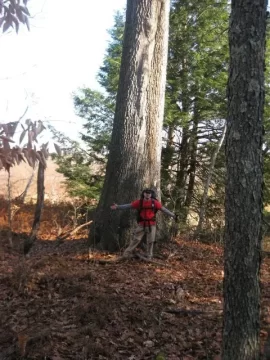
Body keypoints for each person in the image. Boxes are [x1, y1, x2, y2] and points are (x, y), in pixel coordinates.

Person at [110, 188, 176, 259]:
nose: (147, 195)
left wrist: (173, 216)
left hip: (151, 224)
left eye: (149, 193)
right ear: (143, 194)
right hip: (141, 224)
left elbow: (164, 209)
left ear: (151, 195)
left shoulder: (155, 203)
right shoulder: (139, 202)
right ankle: (126, 254)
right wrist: (117, 207)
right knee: (136, 239)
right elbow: (129, 206)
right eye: (146, 193)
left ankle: (149, 256)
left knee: (150, 241)